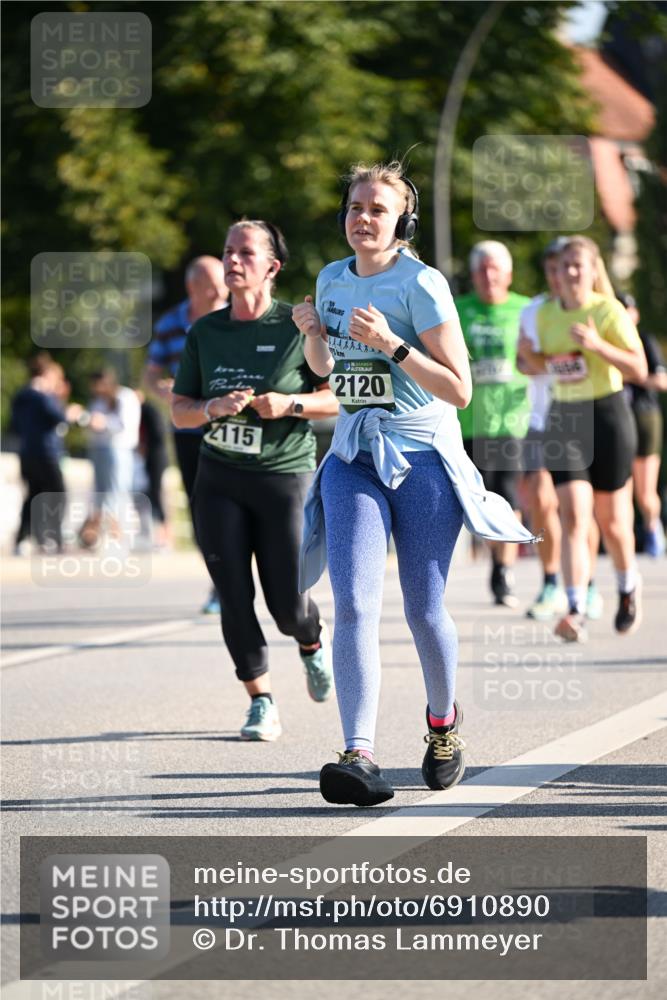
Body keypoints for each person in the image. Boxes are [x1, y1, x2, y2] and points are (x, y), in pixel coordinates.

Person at [293, 163, 538, 808]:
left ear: (403, 220)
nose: (363, 217)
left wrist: (394, 345)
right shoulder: (330, 279)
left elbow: (460, 389)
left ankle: (442, 723)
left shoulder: (422, 284)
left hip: (424, 457)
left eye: (378, 207)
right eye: (354, 206)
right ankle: (359, 753)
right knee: (352, 604)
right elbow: (326, 371)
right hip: (354, 456)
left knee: (424, 611)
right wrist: (317, 334)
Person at [171, 220, 338, 742]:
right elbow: (179, 411)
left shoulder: (296, 324)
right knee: (233, 595)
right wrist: (210, 407)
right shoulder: (206, 331)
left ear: (272, 266)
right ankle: (261, 700)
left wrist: (289, 403)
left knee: (287, 605)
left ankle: (310, 640)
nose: (233, 261)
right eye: (227, 251)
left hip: (284, 477)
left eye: (246, 252)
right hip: (218, 478)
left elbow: (337, 395)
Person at [524, 236, 647, 642]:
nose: (570, 273)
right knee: (573, 515)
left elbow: (638, 368)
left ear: (594, 270)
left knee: (612, 521)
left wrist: (597, 345)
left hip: (608, 414)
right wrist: (529, 358)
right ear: (555, 273)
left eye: (578, 265)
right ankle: (575, 607)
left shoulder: (608, 310)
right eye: (563, 266)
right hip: (565, 417)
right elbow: (542, 367)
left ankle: (628, 587)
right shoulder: (545, 315)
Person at [517, 239, 604, 622]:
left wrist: (547, 362)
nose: (559, 276)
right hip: (539, 417)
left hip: (578, 417)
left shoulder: (590, 308)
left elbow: (588, 364)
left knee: (578, 509)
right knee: (540, 500)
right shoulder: (534, 311)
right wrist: (551, 362)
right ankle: (551, 579)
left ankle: (588, 583)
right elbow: (523, 363)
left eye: (564, 267)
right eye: (552, 269)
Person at [144, 256, 229, 612]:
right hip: (188, 429)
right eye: (212, 281)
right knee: (201, 508)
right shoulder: (170, 324)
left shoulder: (238, 316)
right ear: (192, 287)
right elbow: (149, 375)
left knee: (236, 505)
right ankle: (220, 585)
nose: (222, 286)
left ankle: (242, 578)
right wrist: (162, 392)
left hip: (234, 429)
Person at [456, 241, 531, 608]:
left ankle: (503, 569)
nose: (489, 276)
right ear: (473, 275)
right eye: (482, 269)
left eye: (495, 268)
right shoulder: (459, 310)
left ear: (508, 273)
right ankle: (496, 559)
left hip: (511, 421)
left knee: (508, 495)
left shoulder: (525, 309)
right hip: (469, 422)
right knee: (481, 500)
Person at [11, 353, 80, 553]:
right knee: (58, 496)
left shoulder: (20, 396)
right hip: (47, 454)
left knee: (33, 496)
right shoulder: (44, 396)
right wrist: (71, 412)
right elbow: (59, 417)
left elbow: (15, 425)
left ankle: (23, 539)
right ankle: (54, 538)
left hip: (26, 452)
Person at [618, 293, 666, 557]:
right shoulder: (608, 342)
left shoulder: (644, 340)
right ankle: (625, 535)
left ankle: (651, 523)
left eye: (628, 309)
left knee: (645, 494)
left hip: (644, 415)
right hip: (617, 418)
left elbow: (662, 382)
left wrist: (632, 372)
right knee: (620, 486)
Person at [82, 368, 142, 547]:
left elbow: (126, 425)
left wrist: (104, 422)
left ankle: (116, 535)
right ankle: (103, 535)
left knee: (116, 491)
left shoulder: (125, 396)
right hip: (99, 448)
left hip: (119, 449)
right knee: (100, 493)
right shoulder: (98, 401)